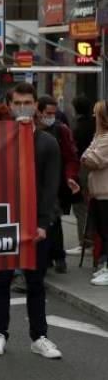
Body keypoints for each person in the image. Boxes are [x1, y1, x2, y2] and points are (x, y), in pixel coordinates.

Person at [0, 83, 63, 359]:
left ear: (35, 106)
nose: (23, 107)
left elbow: (50, 186)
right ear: (9, 105)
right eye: (17, 102)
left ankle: (39, 336)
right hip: (4, 221)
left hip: (36, 224)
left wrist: (43, 223)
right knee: (2, 280)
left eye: (28, 102)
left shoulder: (47, 142)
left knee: (35, 282)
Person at [37, 95, 80, 274]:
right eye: (48, 113)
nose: (51, 116)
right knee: (44, 220)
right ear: (38, 111)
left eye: (54, 113)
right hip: (36, 183)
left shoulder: (61, 130)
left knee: (54, 218)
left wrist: (70, 177)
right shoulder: (29, 129)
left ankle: (58, 257)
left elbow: (71, 157)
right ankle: (46, 258)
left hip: (56, 183)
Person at [82, 100, 108, 285]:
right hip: (99, 191)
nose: (93, 116)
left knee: (106, 232)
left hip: (106, 192)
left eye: (95, 113)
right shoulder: (100, 136)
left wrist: (87, 156)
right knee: (102, 231)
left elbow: (92, 159)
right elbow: (87, 154)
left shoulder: (106, 138)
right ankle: (105, 265)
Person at [70, 95, 96, 254]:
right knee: (93, 206)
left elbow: (75, 151)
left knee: (80, 206)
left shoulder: (78, 128)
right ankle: (92, 240)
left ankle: (84, 242)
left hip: (82, 168)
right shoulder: (95, 125)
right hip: (94, 169)